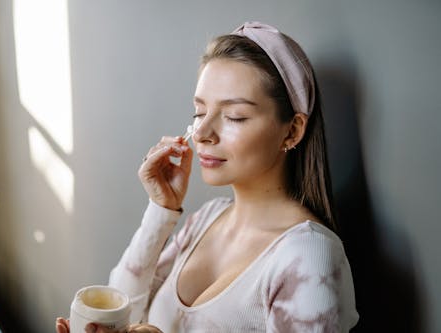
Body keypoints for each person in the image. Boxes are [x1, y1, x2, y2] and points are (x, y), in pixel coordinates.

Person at [56, 21, 359, 333]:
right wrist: (161, 210)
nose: (201, 133)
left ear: (292, 130)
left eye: (234, 116)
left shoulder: (307, 256)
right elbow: (123, 310)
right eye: (199, 113)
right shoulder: (208, 218)